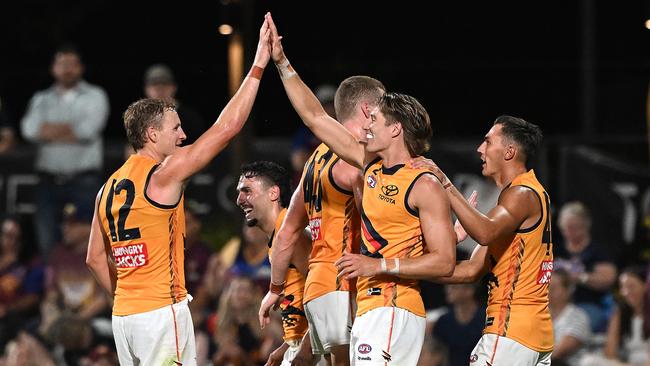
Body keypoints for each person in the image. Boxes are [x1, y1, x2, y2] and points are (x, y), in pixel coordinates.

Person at [262, 13, 457, 365]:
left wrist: (378, 264)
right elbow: (315, 118)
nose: (368, 126)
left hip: (395, 305)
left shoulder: (423, 182)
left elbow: (444, 263)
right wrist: (281, 61)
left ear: (395, 129)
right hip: (369, 303)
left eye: (376, 121)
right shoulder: (368, 165)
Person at [85, 15, 273, 365]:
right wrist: (259, 63)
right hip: (161, 313)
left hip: (124, 319)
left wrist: (125, 299)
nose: (183, 135)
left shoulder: (105, 190)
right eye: (176, 128)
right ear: (152, 135)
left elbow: (95, 258)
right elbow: (227, 128)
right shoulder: (163, 175)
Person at [260, 74, 385, 366]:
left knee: (308, 360)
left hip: (317, 287)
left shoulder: (315, 158)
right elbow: (376, 230)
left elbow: (287, 233)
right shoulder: (357, 162)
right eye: (383, 108)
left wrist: (274, 290)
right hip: (345, 282)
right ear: (368, 110)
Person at [413, 115, 554, 365]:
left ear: (509, 152)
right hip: (531, 335)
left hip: (510, 330)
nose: (480, 149)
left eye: (488, 142)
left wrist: (445, 184)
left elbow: (484, 232)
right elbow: (470, 270)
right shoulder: (518, 200)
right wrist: (407, 269)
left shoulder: (521, 193)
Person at [20, 44, 109, 261]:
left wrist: (49, 131)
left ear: (81, 68)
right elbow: (29, 130)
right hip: (48, 182)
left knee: (90, 245)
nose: (67, 69)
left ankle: (92, 295)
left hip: (85, 181)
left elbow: (89, 130)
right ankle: (52, 293)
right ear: (53, 68)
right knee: (48, 246)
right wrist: (71, 129)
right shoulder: (41, 99)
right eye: (62, 64)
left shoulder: (95, 95)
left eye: (72, 64)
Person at [236, 161, 312, 366]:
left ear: (273, 193)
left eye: (247, 191)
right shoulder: (278, 237)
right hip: (299, 346)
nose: (239, 200)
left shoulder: (292, 235)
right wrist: (286, 347)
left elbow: (327, 293)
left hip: (313, 350)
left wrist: (304, 351)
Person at [554, 201, 617, 333]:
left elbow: (609, 279)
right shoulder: (556, 250)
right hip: (555, 305)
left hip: (588, 304)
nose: (571, 233)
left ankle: (559, 352)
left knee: (575, 326)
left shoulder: (597, 252)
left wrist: (582, 277)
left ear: (585, 226)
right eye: (567, 228)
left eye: (575, 227)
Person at [579, 265, 648, 366]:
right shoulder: (620, 312)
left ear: (645, 286)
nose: (626, 292)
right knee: (588, 361)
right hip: (628, 363)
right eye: (623, 287)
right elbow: (610, 353)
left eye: (631, 286)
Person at [432, 282, 486, 366]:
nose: (448, 290)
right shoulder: (444, 321)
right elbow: (439, 353)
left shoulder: (485, 319)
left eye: (454, 287)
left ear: (469, 290)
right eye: (447, 286)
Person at [549, 269, 591, 366]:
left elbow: (560, 352)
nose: (548, 290)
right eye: (546, 286)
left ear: (568, 290)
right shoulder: (538, 315)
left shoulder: (578, 316)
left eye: (554, 287)